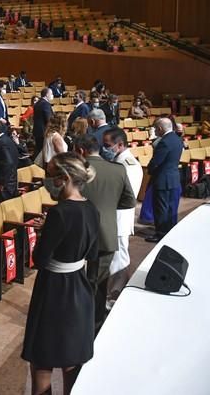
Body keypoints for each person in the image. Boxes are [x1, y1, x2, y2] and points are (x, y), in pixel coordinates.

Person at [22, 152, 100, 395]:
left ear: (64, 178)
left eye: (50, 175)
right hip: (79, 285)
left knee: (42, 358)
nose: (46, 179)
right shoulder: (91, 208)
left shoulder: (59, 212)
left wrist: (44, 234)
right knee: (71, 357)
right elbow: (93, 252)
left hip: (55, 288)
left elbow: (40, 259)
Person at [73, 134, 136, 333]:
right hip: (106, 233)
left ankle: (76, 319)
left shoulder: (78, 171)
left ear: (81, 151)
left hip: (77, 233)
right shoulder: (118, 170)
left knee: (72, 279)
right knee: (99, 283)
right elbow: (129, 202)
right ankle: (95, 324)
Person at [102, 128, 143, 305]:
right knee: (113, 259)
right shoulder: (119, 162)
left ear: (120, 145)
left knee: (118, 261)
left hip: (119, 219)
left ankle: (114, 299)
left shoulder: (128, 164)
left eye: (107, 145)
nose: (104, 149)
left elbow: (127, 197)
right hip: (113, 219)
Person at [146, 117, 183, 243]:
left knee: (161, 208)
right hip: (173, 178)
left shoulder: (164, 142)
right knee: (171, 208)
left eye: (156, 128)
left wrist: (149, 170)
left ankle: (161, 233)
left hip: (162, 179)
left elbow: (156, 161)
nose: (155, 130)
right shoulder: (178, 139)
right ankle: (170, 230)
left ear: (160, 128)